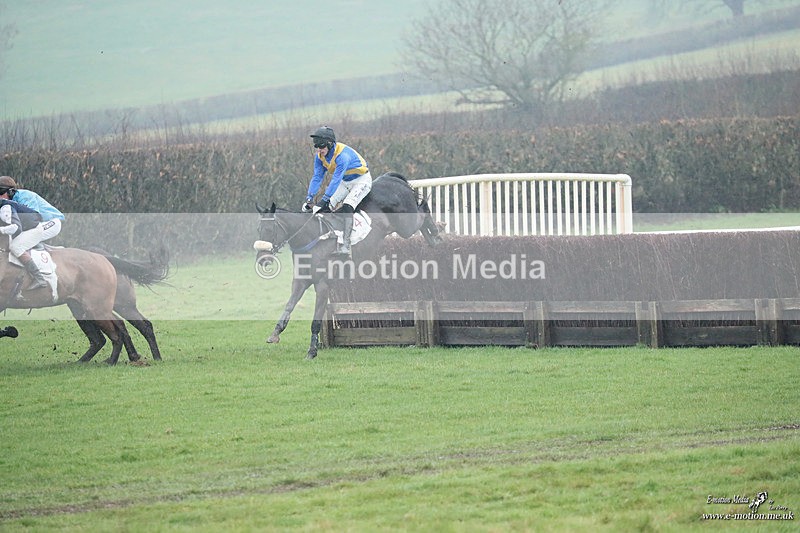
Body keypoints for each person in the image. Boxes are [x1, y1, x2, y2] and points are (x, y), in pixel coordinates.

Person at [301, 126, 372, 257]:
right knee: (326, 207)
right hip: (345, 181)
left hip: (361, 180)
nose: (318, 150)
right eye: (316, 146)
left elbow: (336, 179)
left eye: (321, 146)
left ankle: (346, 245)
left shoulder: (342, 156)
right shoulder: (319, 157)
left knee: (347, 206)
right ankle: (332, 238)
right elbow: (317, 177)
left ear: (330, 143)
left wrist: (324, 199)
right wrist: (309, 198)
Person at [0, 176, 65, 290]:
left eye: (0, 193)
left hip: (51, 222)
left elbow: (33, 220)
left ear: (10, 191)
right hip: (38, 224)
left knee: (16, 246)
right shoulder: (9, 201)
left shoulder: (25, 196)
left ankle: (39, 278)